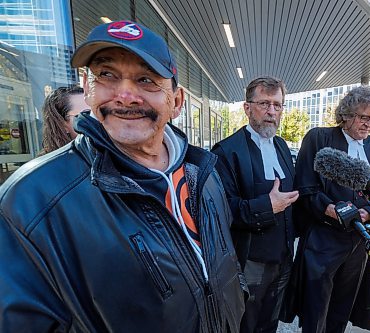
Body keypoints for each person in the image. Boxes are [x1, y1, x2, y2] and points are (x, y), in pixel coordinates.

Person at [0, 20, 246, 333]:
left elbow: (225, 270)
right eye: (107, 76)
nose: (126, 95)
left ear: (177, 102)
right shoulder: (31, 201)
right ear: (87, 88)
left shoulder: (203, 173)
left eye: (146, 79)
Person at [292, 85, 370, 332]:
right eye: (363, 117)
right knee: (316, 308)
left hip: (357, 241)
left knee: (342, 307)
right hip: (324, 239)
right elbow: (305, 185)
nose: (369, 125)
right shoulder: (319, 138)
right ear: (346, 114)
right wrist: (328, 209)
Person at [211, 76, 298, 333]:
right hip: (250, 261)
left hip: (283, 258)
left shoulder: (281, 145)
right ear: (247, 108)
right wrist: (268, 206)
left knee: (270, 322)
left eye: (277, 105)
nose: (271, 111)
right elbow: (222, 210)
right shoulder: (226, 152)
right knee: (245, 324)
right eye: (264, 104)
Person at [41, 86, 88, 154]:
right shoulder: (52, 163)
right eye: (86, 114)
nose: (98, 119)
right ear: (62, 124)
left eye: (100, 111)